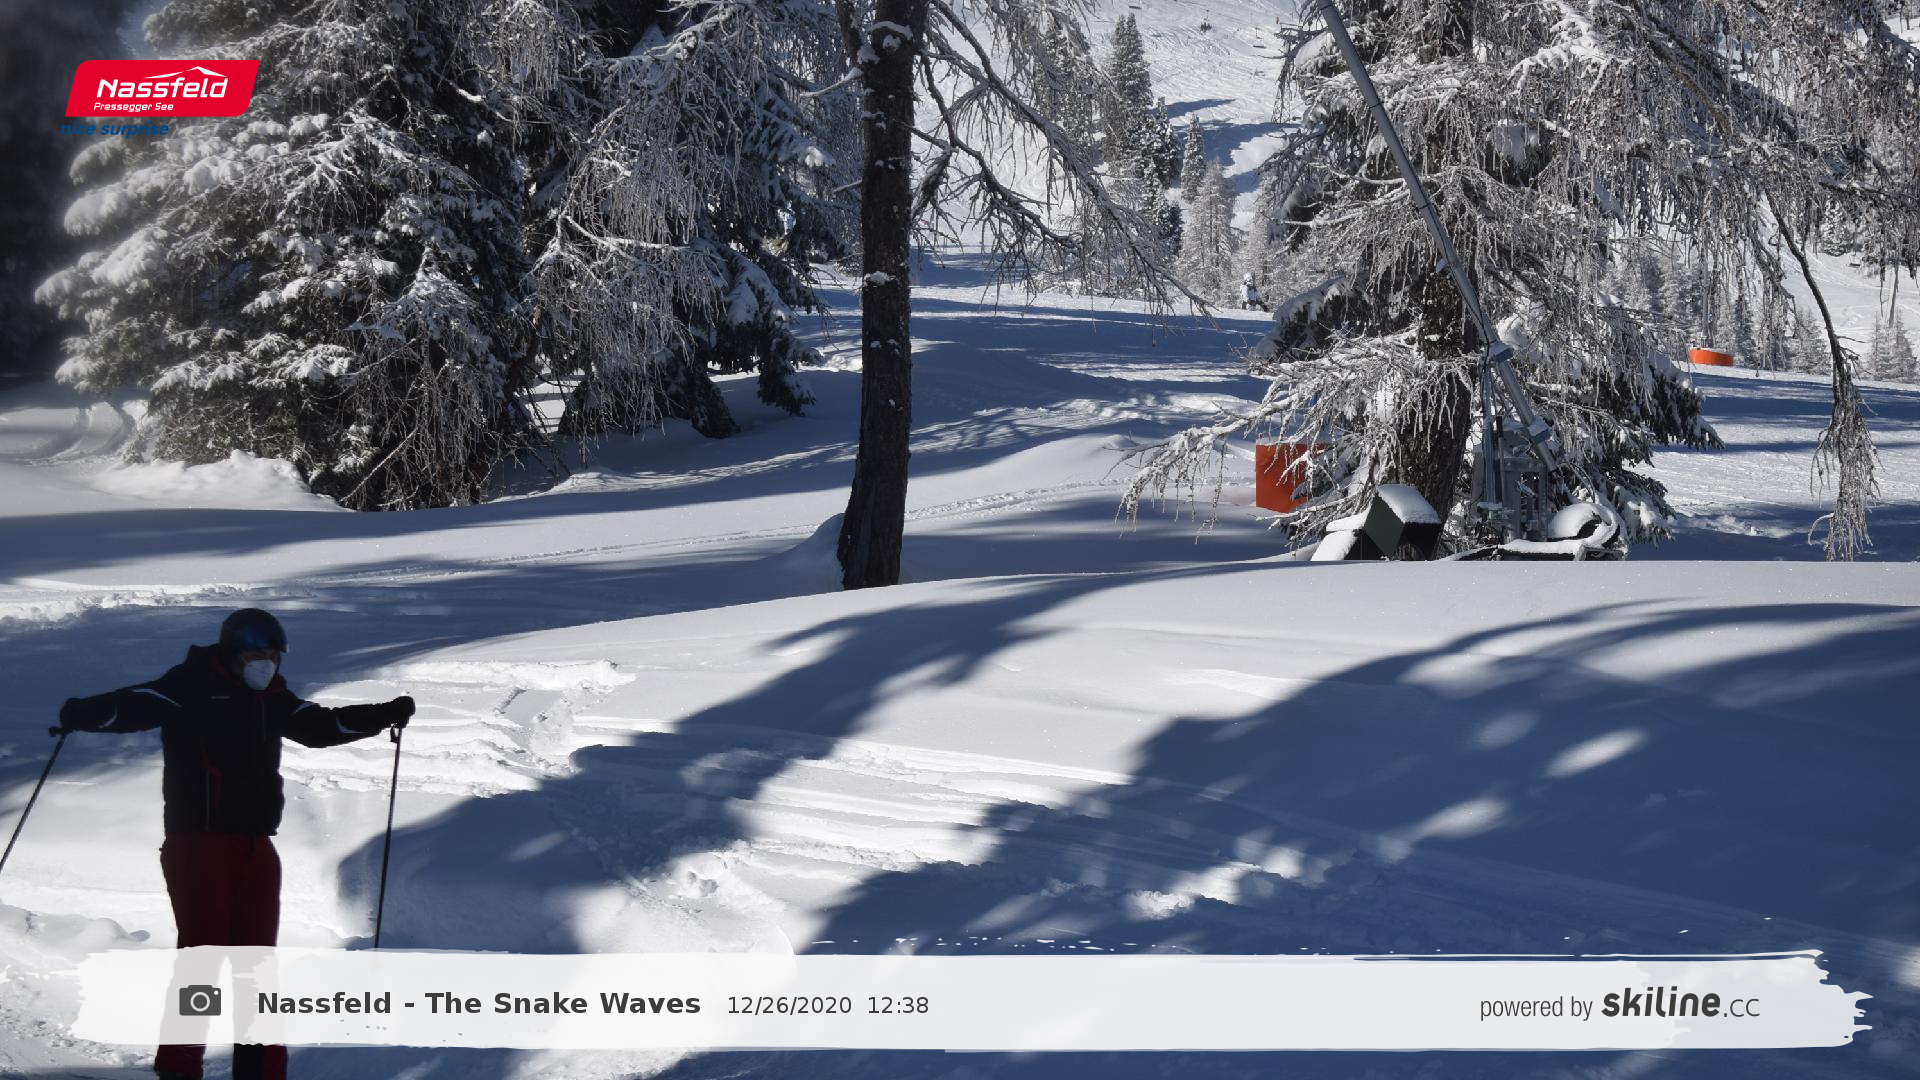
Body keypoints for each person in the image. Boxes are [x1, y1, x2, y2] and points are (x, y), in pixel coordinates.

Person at [56, 608, 415, 1080]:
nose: (265, 663)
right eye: (256, 653)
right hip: (197, 846)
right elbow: (135, 705)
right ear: (231, 652)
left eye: (273, 654)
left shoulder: (272, 697)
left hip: (256, 847)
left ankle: (262, 1071)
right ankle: (180, 1067)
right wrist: (85, 713)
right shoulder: (189, 685)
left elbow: (320, 727)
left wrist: (382, 715)